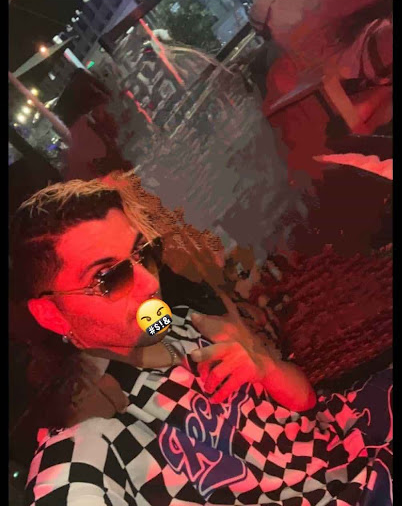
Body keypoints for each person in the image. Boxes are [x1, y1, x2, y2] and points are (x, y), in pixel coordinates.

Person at [10, 174, 392, 505]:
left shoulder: (182, 322)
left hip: (355, 440)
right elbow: (71, 478)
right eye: (108, 277)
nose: (149, 283)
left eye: (142, 254)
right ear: (51, 314)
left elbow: (307, 401)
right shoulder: (89, 432)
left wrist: (264, 368)